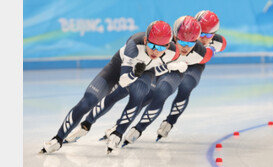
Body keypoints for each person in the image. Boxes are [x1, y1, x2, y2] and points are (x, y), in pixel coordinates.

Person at [65, 15, 217, 152]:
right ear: (174, 37)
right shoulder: (164, 43)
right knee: (121, 91)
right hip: (155, 67)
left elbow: (218, 45)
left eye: (190, 42)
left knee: (161, 92)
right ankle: (86, 124)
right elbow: (135, 45)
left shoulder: (203, 53)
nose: (184, 47)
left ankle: (141, 127)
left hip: (174, 71)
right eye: (180, 41)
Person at [40, 20, 187, 154]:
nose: (155, 51)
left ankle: (118, 133)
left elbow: (163, 65)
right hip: (118, 69)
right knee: (89, 100)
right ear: (145, 40)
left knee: (139, 94)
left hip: (143, 73)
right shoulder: (134, 45)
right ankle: (58, 138)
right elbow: (123, 81)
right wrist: (134, 74)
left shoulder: (173, 52)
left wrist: (173, 66)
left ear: (168, 45)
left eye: (160, 47)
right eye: (152, 45)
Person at [122, 10, 227, 146]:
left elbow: (218, 47)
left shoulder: (218, 42)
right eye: (201, 33)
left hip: (194, 66)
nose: (204, 38)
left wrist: (210, 51)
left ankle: (168, 122)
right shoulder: (177, 36)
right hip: (172, 66)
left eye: (209, 35)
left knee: (186, 86)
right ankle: (124, 125)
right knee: (153, 93)